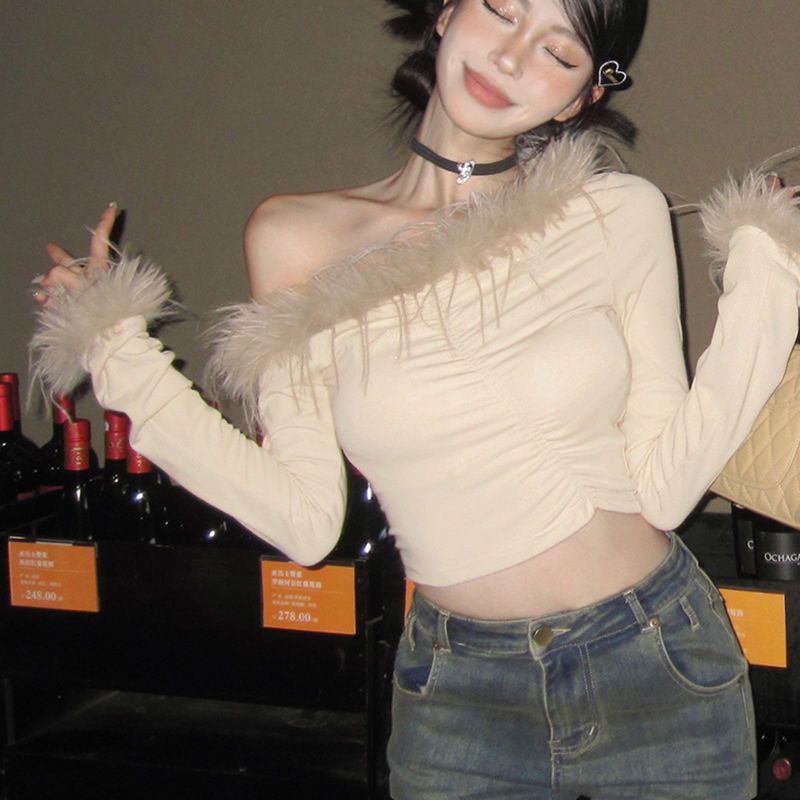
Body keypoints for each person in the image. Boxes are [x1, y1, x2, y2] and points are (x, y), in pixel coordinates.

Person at [30, 0, 800, 797]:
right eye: (501, 9)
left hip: (658, 662)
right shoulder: (296, 239)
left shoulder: (616, 212)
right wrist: (118, 354)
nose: (511, 56)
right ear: (444, 14)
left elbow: (667, 488)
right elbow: (303, 520)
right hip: (460, 696)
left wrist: (768, 273)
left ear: (582, 98)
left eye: (558, 51)